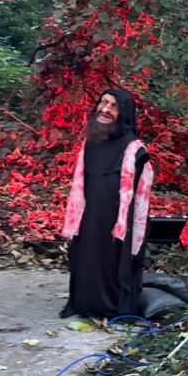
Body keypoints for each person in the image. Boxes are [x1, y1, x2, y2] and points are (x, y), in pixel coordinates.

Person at [60, 89, 154, 319]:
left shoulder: (135, 149)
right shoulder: (90, 143)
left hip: (117, 225)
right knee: (84, 258)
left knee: (112, 264)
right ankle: (82, 304)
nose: (105, 109)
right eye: (103, 103)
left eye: (114, 106)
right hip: (88, 216)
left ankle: (114, 309)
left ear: (124, 114)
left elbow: (140, 198)